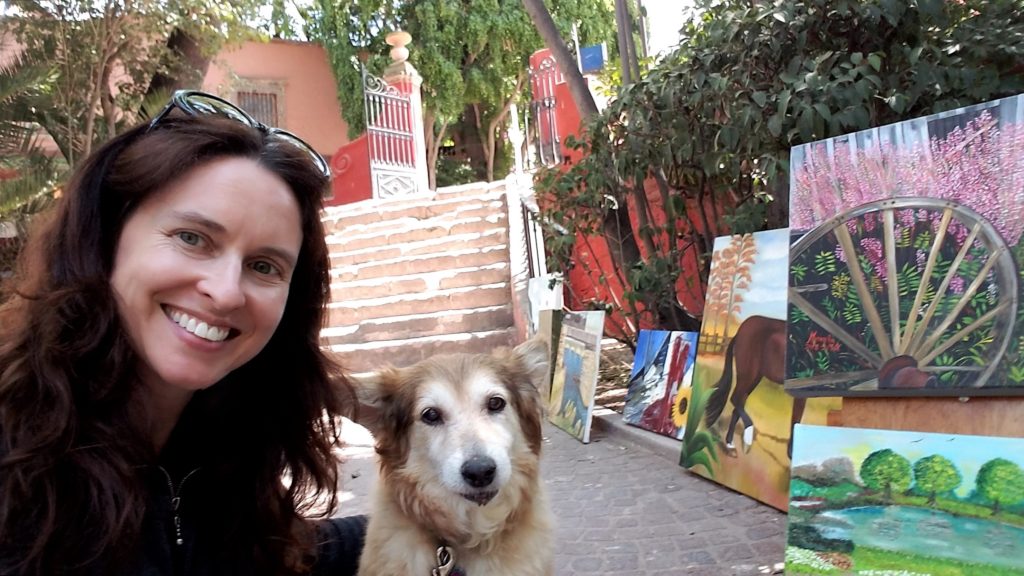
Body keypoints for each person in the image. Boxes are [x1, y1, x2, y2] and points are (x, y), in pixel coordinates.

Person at [0, 91, 366, 575]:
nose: (226, 292)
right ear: (107, 238)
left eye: (263, 266)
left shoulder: (221, 449)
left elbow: (278, 558)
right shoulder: (17, 457)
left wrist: (435, 533)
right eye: (192, 239)